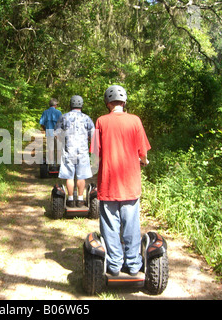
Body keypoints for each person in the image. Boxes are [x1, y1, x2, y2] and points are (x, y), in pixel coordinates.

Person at [90, 85, 150, 276]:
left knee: (110, 225)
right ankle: (133, 265)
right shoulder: (135, 121)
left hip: (108, 184)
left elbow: (95, 154)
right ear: (124, 102)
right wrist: (144, 161)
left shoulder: (101, 121)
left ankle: (114, 265)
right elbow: (143, 153)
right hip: (130, 184)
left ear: (108, 103)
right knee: (131, 224)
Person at [55, 95, 95, 208]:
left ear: (70, 104)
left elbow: (57, 134)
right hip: (82, 152)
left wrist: (64, 140)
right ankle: (81, 199)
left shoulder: (64, 117)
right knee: (81, 176)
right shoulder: (87, 118)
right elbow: (93, 136)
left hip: (68, 151)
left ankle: (71, 199)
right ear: (81, 105)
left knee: (69, 176)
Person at [39, 98, 62, 164]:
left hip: (49, 131)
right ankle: (59, 163)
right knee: (59, 149)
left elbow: (42, 123)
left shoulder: (45, 112)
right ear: (55, 105)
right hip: (58, 132)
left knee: (50, 149)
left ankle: (51, 164)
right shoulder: (59, 112)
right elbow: (62, 124)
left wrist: (45, 129)